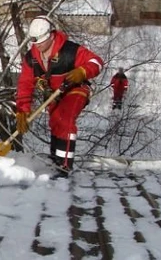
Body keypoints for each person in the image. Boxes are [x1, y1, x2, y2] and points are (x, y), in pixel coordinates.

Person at [15, 16, 104, 178]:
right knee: (55, 121)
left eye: (41, 41)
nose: (38, 45)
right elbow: (25, 84)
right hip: (53, 94)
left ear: (50, 35)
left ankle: (64, 166)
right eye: (35, 42)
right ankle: (56, 159)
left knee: (65, 120)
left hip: (75, 90)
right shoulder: (31, 58)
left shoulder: (70, 50)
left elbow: (97, 62)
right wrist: (22, 109)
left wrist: (83, 71)